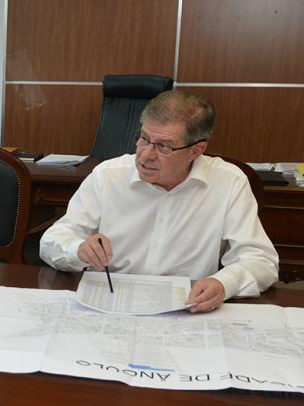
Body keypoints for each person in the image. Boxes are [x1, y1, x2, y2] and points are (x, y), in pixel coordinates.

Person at [39, 90, 278, 312]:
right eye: (143, 138)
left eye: (163, 147)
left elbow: (261, 261)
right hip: (111, 307)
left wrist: (223, 283)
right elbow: (52, 241)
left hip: (187, 310)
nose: (145, 155)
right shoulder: (108, 175)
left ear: (196, 151)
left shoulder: (228, 182)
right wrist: (78, 249)